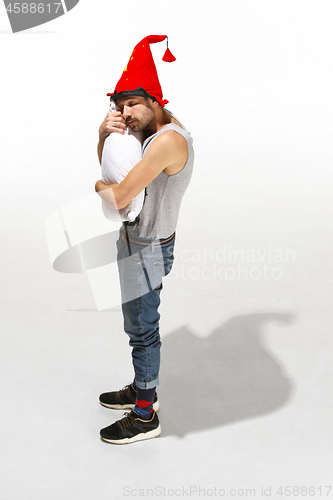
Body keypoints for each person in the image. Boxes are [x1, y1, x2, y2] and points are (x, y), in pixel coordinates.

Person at [95, 35, 194, 444]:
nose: (125, 114)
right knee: (135, 322)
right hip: (138, 240)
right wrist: (102, 135)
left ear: (155, 99)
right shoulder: (152, 132)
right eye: (119, 107)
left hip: (149, 246)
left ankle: (144, 414)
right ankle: (140, 389)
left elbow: (117, 194)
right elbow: (116, 171)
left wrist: (96, 185)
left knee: (143, 329)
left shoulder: (168, 140)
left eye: (132, 104)